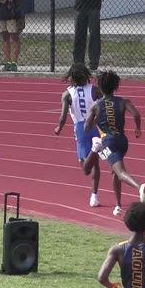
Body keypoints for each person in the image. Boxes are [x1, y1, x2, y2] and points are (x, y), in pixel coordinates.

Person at [83, 70, 145, 215]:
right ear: (115, 86)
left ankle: (139, 187)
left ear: (99, 87)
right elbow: (137, 114)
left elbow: (86, 127)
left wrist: (96, 119)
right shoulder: (123, 101)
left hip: (108, 142)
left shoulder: (96, 105)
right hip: (122, 140)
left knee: (119, 172)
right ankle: (118, 205)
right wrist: (137, 128)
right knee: (114, 170)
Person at [55, 64, 104, 207]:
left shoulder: (67, 94)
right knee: (95, 163)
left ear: (71, 77)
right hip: (95, 126)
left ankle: (94, 195)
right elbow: (103, 107)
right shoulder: (95, 90)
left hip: (80, 129)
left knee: (85, 168)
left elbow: (63, 116)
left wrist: (59, 127)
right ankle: (94, 196)